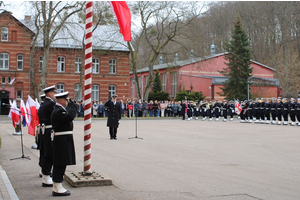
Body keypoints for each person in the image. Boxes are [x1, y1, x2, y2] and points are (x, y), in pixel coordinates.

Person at [50, 91, 77, 196]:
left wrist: (70, 103)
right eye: (66, 100)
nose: (67, 102)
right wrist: (72, 104)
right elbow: (71, 116)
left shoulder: (59, 110)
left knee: (62, 162)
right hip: (61, 140)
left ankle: (58, 185)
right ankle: (57, 186)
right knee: (60, 163)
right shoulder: (58, 111)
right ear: (62, 101)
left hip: (63, 139)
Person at [39, 85, 56, 187]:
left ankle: (45, 173)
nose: (55, 95)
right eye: (54, 93)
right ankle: (46, 175)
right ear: (50, 94)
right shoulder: (49, 104)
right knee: (48, 154)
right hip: (49, 130)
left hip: (46, 130)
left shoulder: (46, 103)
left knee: (47, 153)